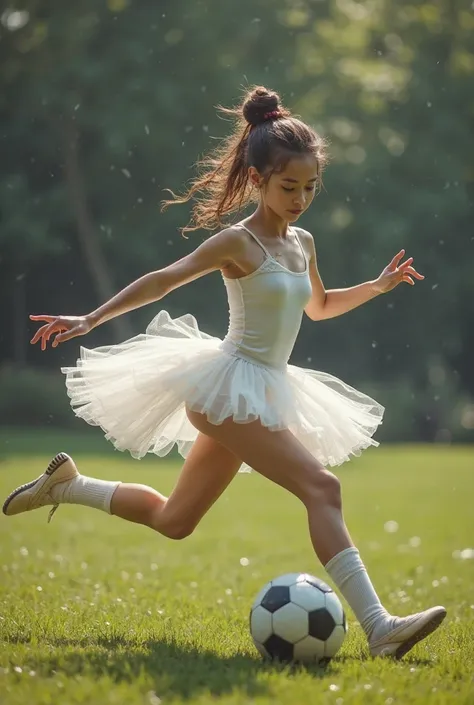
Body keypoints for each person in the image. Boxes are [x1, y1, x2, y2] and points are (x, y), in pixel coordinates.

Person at [3, 86, 446, 659]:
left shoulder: (303, 243)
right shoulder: (238, 241)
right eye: (289, 186)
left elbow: (320, 306)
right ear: (258, 178)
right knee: (323, 487)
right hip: (226, 388)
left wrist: (377, 285)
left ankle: (69, 485)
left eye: (311, 187)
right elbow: (165, 278)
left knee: (175, 520)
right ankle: (380, 628)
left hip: (266, 389)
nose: (301, 198)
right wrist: (91, 317)